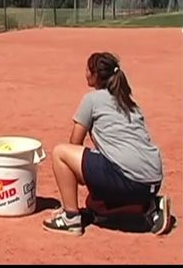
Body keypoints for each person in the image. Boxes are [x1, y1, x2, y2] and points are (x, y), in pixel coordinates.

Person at [43, 52, 172, 236]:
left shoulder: (92, 100)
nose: (85, 73)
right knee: (94, 205)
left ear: (95, 75)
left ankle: (70, 219)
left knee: (60, 153)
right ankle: (150, 207)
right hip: (151, 183)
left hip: (128, 179)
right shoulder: (130, 103)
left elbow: (74, 144)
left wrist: (82, 174)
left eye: (87, 69)